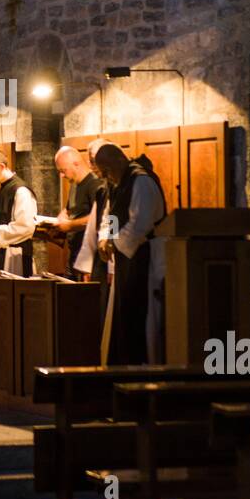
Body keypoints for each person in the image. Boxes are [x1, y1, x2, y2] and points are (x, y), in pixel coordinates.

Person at [96, 143, 168, 365]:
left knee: (141, 312)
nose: (106, 175)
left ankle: (142, 366)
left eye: (107, 169)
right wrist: (105, 238)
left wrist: (114, 243)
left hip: (145, 255)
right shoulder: (117, 184)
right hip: (126, 254)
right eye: (103, 171)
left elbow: (141, 222)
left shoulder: (141, 180)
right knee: (123, 310)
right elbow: (112, 214)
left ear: (119, 160)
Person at [0, 149, 37, 276]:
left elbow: (25, 227)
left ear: (1, 166)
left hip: (16, 254)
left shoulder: (21, 190)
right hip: (1, 251)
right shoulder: (2, 190)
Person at [52, 146, 105, 280]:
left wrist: (70, 225)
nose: (61, 175)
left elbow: (100, 218)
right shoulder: (75, 183)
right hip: (75, 251)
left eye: (63, 171)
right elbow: (71, 208)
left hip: (91, 254)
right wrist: (60, 218)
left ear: (76, 164)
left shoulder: (95, 184)